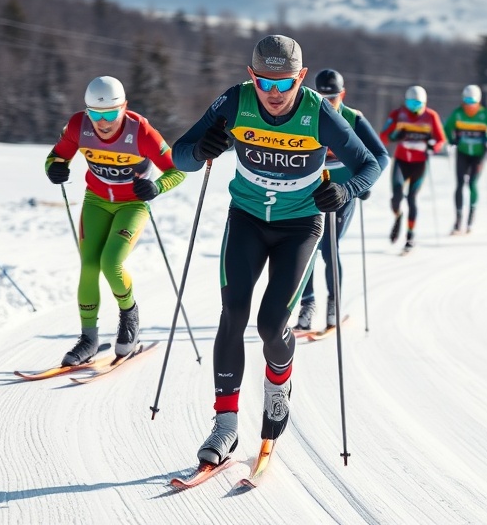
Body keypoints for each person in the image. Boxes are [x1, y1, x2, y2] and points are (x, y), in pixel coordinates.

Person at [171, 35, 379, 466]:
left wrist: (344, 190)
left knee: (271, 326)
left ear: (300, 78)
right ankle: (225, 425)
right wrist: (201, 150)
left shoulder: (318, 111)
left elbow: (370, 164)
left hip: (300, 227)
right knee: (233, 315)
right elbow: (180, 157)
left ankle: (278, 389)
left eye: (285, 84)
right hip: (246, 219)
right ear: (252, 76)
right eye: (265, 83)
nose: (274, 94)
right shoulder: (234, 101)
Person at [45, 76, 186, 366]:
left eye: (110, 114)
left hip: (131, 205)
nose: (103, 122)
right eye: (96, 114)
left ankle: (129, 315)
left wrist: (156, 187)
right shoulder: (77, 126)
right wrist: (55, 169)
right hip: (96, 200)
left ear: (124, 108)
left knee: (112, 262)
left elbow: (178, 169)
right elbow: (55, 157)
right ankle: (89, 339)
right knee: (89, 265)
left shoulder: (142, 132)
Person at [291, 69, 389, 333]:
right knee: (306, 248)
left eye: (333, 97)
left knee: (328, 246)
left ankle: (334, 303)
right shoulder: (305, 114)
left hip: (342, 192)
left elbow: (381, 156)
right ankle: (307, 304)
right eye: (322, 96)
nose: (328, 102)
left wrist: (361, 183)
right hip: (310, 191)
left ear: (342, 95)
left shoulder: (353, 119)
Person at [379, 85, 447, 252]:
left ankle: (410, 236)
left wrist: (433, 147)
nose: (413, 108)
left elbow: (441, 139)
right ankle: (398, 216)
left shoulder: (431, 116)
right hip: (402, 161)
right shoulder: (398, 114)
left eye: (417, 104)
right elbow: (383, 136)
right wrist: (395, 135)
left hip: (419, 163)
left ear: (424, 103)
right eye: (410, 103)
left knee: (412, 199)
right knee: (396, 198)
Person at [442, 84, 487, 234]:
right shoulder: (457, 114)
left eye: (472, 102)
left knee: (472, 183)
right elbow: (445, 129)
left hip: (479, 154)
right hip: (463, 152)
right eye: (466, 101)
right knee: (459, 184)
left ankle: (470, 219)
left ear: (478, 101)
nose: (469, 106)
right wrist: (451, 141)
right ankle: (458, 221)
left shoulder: (485, 115)